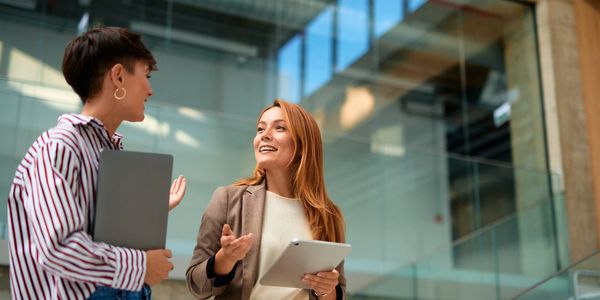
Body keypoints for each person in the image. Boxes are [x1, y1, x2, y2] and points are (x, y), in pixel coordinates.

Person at [7, 26, 187, 300]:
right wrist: (141, 266)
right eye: (146, 76)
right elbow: (59, 248)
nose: (150, 90)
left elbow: (99, 236)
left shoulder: (107, 152)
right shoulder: (59, 146)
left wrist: (147, 215)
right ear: (117, 76)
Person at [186, 99, 346, 300]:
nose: (265, 135)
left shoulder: (328, 215)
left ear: (303, 144)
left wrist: (326, 288)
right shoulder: (228, 199)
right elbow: (196, 285)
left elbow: (336, 292)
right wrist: (225, 259)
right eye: (260, 129)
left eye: (279, 128)